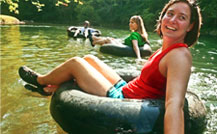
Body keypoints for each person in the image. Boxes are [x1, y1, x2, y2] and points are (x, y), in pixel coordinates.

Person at [18, 0, 202, 133]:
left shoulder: (179, 55)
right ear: (162, 17)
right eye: (170, 14)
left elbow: (174, 105)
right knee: (89, 58)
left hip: (123, 98)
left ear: (190, 26)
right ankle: (53, 88)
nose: (172, 20)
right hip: (127, 88)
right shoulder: (164, 50)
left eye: (182, 17)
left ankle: (41, 81)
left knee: (75, 63)